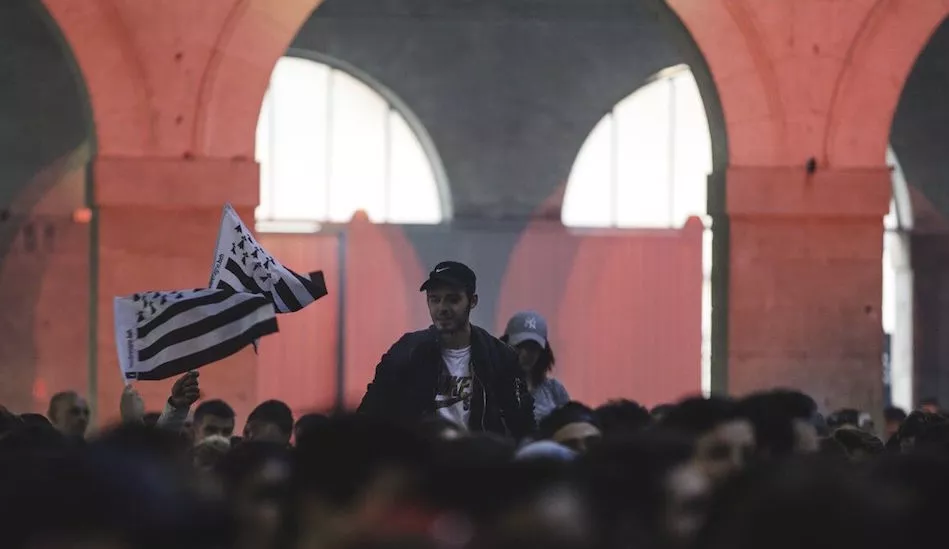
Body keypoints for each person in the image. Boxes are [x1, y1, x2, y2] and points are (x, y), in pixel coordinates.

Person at [359, 261, 535, 439]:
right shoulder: (406, 351)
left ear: (472, 301)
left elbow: (522, 423)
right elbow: (371, 411)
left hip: (477, 460)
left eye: (453, 299)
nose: (442, 308)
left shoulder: (499, 356)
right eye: (435, 299)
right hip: (421, 459)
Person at [501, 311, 569, 423]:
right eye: (519, 347)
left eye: (532, 348)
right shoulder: (490, 386)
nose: (525, 354)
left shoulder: (554, 390)